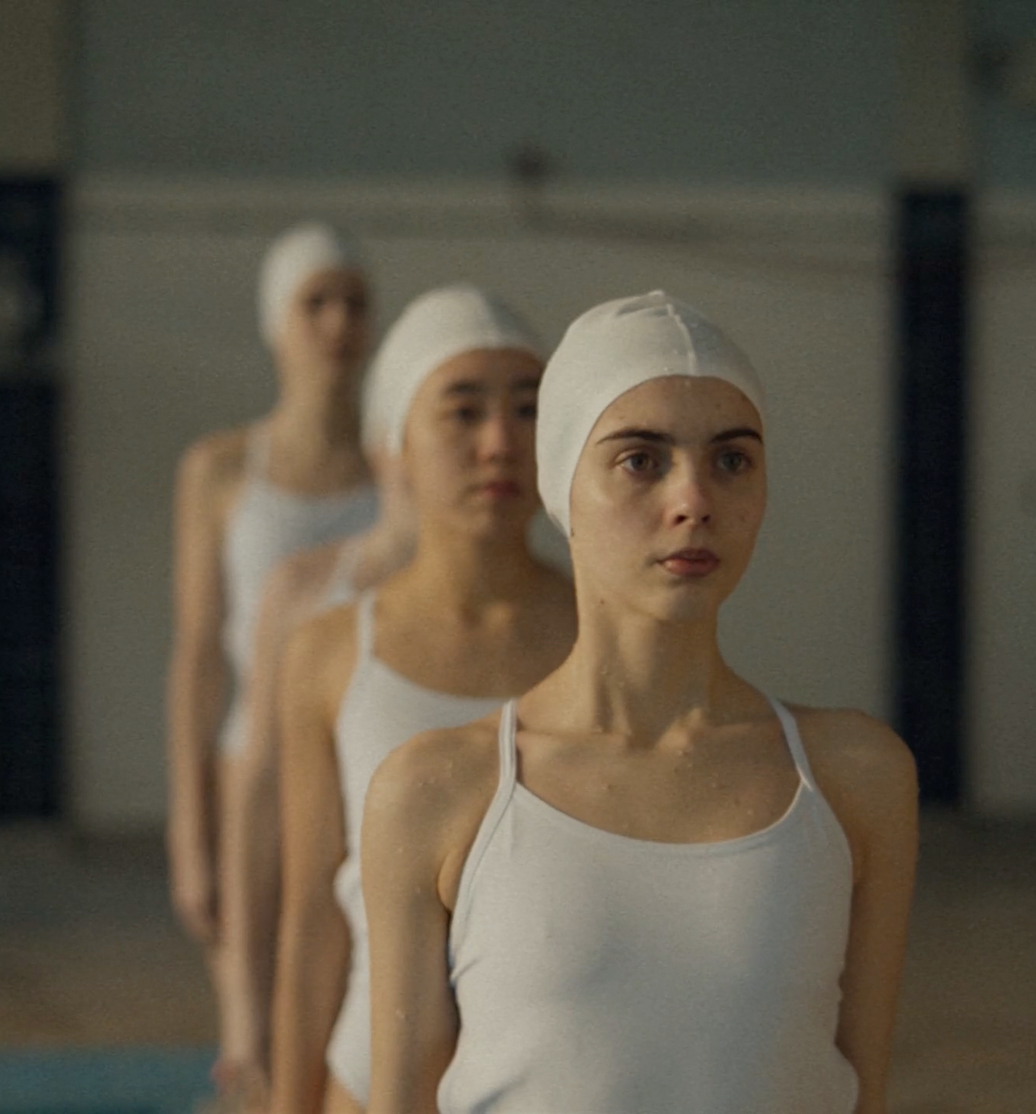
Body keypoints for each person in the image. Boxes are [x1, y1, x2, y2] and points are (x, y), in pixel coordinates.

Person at [361, 291, 920, 1114]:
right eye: (640, 460)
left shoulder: (857, 777)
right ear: (562, 487)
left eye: (732, 459)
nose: (693, 499)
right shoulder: (437, 793)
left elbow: (861, 1094)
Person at [271, 286, 578, 1114]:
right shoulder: (329, 651)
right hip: (370, 1077)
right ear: (393, 444)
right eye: (464, 410)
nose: (499, 442)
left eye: (526, 409)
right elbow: (311, 920)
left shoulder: (606, 630)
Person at [165, 222, 378, 1091]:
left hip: (360, 763)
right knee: (251, 1047)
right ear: (275, 323)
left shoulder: (397, 475)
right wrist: (188, 830)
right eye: (314, 302)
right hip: (252, 767)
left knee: (341, 1020)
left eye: (354, 303)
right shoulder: (220, 470)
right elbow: (197, 658)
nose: (337, 322)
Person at [216, 373, 420, 1106]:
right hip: (322, 877)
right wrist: (245, 1007)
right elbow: (199, 660)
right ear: (391, 446)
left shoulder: (556, 617)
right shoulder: (307, 595)